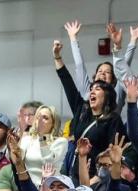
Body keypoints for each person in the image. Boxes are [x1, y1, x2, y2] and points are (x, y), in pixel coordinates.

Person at [54, 39, 126, 178]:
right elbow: (66, 81)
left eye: (97, 89)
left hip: (97, 176)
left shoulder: (112, 119)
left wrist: (98, 178)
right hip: (74, 171)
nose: (92, 92)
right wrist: (57, 56)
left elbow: (113, 152)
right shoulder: (82, 109)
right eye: (91, 89)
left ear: (107, 95)